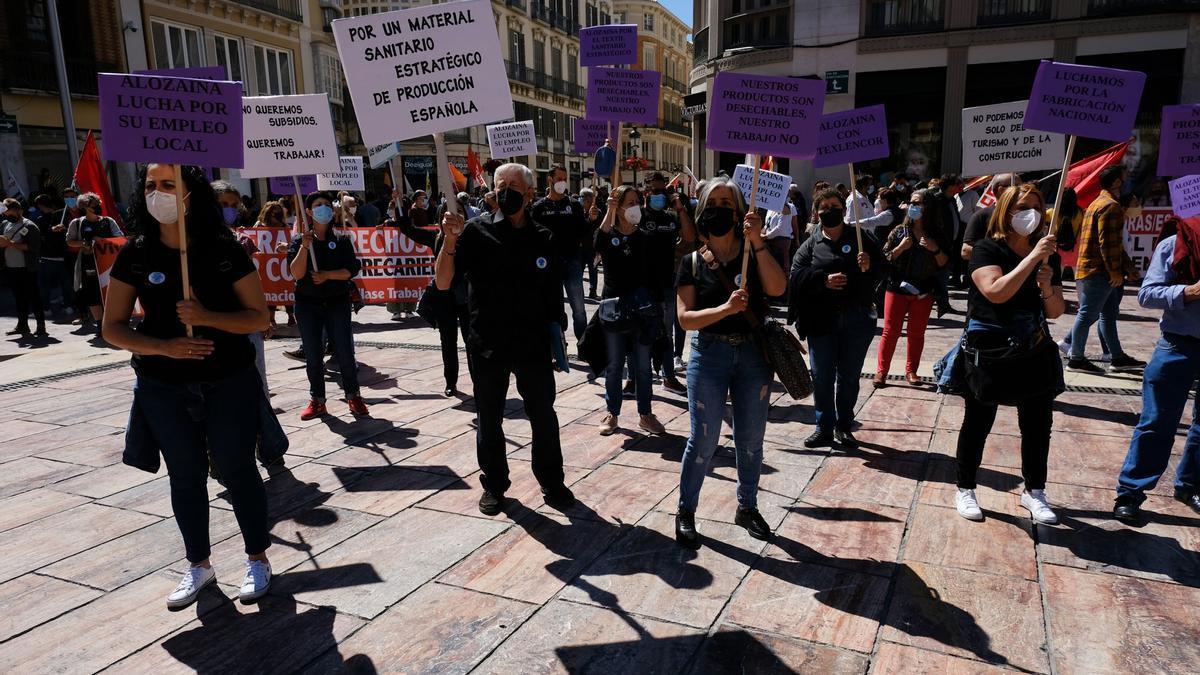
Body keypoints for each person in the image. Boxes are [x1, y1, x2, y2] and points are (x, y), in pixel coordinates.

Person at [102, 163, 276, 608]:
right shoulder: (136, 253)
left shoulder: (224, 249)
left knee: (238, 470)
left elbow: (259, 318)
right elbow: (113, 328)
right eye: (149, 186)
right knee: (185, 476)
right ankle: (198, 565)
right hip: (164, 386)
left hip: (227, 381)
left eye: (167, 185)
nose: (156, 193)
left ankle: (257, 558)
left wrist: (208, 318)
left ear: (189, 194)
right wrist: (163, 346)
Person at [435, 163, 574, 516]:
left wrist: (559, 335)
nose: (505, 190)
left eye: (513, 185)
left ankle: (552, 480)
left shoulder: (544, 236)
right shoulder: (474, 232)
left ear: (530, 193)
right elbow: (442, 282)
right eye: (500, 185)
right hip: (488, 343)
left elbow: (552, 295)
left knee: (543, 414)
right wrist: (449, 241)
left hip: (532, 343)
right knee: (490, 416)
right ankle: (494, 484)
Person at [674, 176, 787, 547]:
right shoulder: (692, 261)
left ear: (740, 211)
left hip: (753, 357)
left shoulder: (754, 252)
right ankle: (686, 511)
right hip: (709, 355)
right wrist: (724, 309)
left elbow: (776, 288)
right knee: (703, 440)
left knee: (751, 440)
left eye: (728, 203)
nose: (720, 209)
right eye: (714, 203)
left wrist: (757, 242)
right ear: (703, 209)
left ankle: (747, 506)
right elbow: (685, 319)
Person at [952, 183, 1065, 524]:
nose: (1028, 214)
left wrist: (1046, 287)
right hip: (991, 351)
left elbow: (1057, 310)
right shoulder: (987, 250)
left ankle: (1034, 490)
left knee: (1037, 425)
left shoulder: (1049, 255)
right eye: (1020, 208)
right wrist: (1031, 258)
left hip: (1034, 349)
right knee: (978, 421)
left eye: (1034, 206)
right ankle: (965, 487)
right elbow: (995, 292)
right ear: (1004, 211)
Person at [1112, 217, 1200, 523]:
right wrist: (1189, 292)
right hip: (1178, 345)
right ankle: (1130, 493)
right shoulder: (1173, 245)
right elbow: (1146, 295)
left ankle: (1189, 486)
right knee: (1157, 423)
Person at [789, 188, 884, 449]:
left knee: (849, 377)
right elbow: (795, 277)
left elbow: (883, 269)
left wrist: (869, 265)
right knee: (822, 376)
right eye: (824, 206)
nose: (830, 210)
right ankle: (823, 428)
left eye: (835, 205)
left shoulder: (861, 238)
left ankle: (844, 425)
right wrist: (822, 281)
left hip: (856, 319)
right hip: (822, 320)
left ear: (844, 209)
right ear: (817, 212)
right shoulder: (811, 243)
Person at [594, 185, 668, 436]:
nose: (635, 205)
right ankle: (611, 412)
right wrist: (609, 211)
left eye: (638, 201)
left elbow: (654, 274)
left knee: (643, 365)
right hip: (614, 309)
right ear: (619, 205)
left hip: (641, 311)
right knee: (615, 365)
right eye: (630, 201)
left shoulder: (645, 238)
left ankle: (645, 414)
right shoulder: (609, 233)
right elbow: (598, 241)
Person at [288, 191, 368, 420]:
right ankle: (318, 400)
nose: (323, 208)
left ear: (332, 211)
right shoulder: (300, 241)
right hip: (307, 305)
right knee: (313, 355)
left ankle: (353, 396)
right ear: (309, 212)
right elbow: (296, 273)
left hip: (336, 303)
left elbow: (350, 271)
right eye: (318, 205)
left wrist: (327, 275)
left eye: (326, 204)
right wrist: (304, 247)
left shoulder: (342, 240)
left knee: (344, 351)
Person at [1066, 166, 1145, 374]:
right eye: (1125, 176)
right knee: (1087, 315)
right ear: (1117, 183)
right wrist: (1116, 273)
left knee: (1107, 315)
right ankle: (1076, 359)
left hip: (1094, 270)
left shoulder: (1097, 203)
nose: (1128, 179)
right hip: (1099, 272)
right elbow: (1108, 245)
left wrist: (1128, 268)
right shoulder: (1111, 207)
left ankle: (1117, 357)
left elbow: (1113, 244)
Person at [394, 194, 472, 396]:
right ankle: (450, 382)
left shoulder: (474, 237)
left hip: (467, 298)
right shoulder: (435, 237)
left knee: (472, 340)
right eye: (450, 214)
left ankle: (478, 381)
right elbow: (407, 229)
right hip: (444, 297)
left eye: (460, 213)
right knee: (448, 341)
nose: (455, 217)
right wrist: (400, 206)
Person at [873, 189, 951, 387]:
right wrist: (900, 248)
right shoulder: (899, 231)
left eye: (919, 202)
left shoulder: (937, 234)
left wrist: (935, 249)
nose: (913, 206)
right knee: (890, 332)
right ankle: (881, 372)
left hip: (924, 292)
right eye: (912, 202)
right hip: (896, 289)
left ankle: (912, 371)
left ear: (929, 207)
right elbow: (884, 258)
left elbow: (944, 263)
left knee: (916, 334)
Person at [640, 171, 694, 394]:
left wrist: (680, 208)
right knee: (640, 332)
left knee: (666, 332)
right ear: (647, 192)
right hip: (642, 283)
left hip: (667, 283)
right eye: (655, 191)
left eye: (663, 191)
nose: (659, 195)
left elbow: (690, 237)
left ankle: (668, 376)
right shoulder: (638, 215)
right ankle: (637, 378)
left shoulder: (671, 217)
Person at [529, 163, 589, 341]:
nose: (562, 182)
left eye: (565, 179)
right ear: (550, 179)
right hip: (549, 265)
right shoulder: (539, 207)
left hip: (572, 262)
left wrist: (591, 220)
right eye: (559, 179)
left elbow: (583, 232)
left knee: (579, 308)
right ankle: (558, 345)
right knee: (553, 307)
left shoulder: (574, 205)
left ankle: (583, 343)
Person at [66, 193, 123, 328]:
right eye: (94, 206)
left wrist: (101, 241)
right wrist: (83, 243)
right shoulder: (77, 223)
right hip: (88, 263)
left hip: (109, 264)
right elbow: (70, 241)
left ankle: (113, 323)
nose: (97, 207)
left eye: (98, 204)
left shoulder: (108, 221)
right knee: (92, 294)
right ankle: (99, 325)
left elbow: (119, 239)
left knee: (110, 293)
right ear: (85, 207)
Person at [1, 197, 46, 337]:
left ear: (16, 210)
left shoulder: (30, 226)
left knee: (34, 296)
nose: (5, 214)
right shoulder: (4, 224)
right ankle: (22, 325)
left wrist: (11, 244)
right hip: (11, 266)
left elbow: (34, 247)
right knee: (19, 297)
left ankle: (41, 325)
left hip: (26, 268)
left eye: (7, 211)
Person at [960, 173, 1021, 263]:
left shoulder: (1025, 214)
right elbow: (966, 251)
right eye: (1018, 186)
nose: (1023, 190)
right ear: (1001, 190)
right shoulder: (981, 216)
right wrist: (1001, 256)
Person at [34, 192, 75, 315]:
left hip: (48, 257)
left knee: (45, 285)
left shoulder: (45, 219)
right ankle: (67, 305)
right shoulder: (61, 216)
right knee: (65, 283)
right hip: (61, 256)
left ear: (40, 206)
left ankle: (47, 308)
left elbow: (39, 237)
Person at [579, 187, 602, 299]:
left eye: (582, 198)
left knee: (593, 270)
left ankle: (593, 291)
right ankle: (579, 291)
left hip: (592, 247)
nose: (580, 200)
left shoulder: (598, 213)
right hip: (580, 246)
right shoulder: (579, 212)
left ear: (588, 200)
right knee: (579, 270)